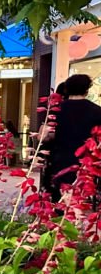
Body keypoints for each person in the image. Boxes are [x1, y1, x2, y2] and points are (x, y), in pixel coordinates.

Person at [41, 73, 101, 202]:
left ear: (66, 89)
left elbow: (43, 136)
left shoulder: (57, 110)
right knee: (80, 202)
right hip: (85, 163)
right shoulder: (97, 111)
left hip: (59, 161)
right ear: (87, 90)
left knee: (57, 201)